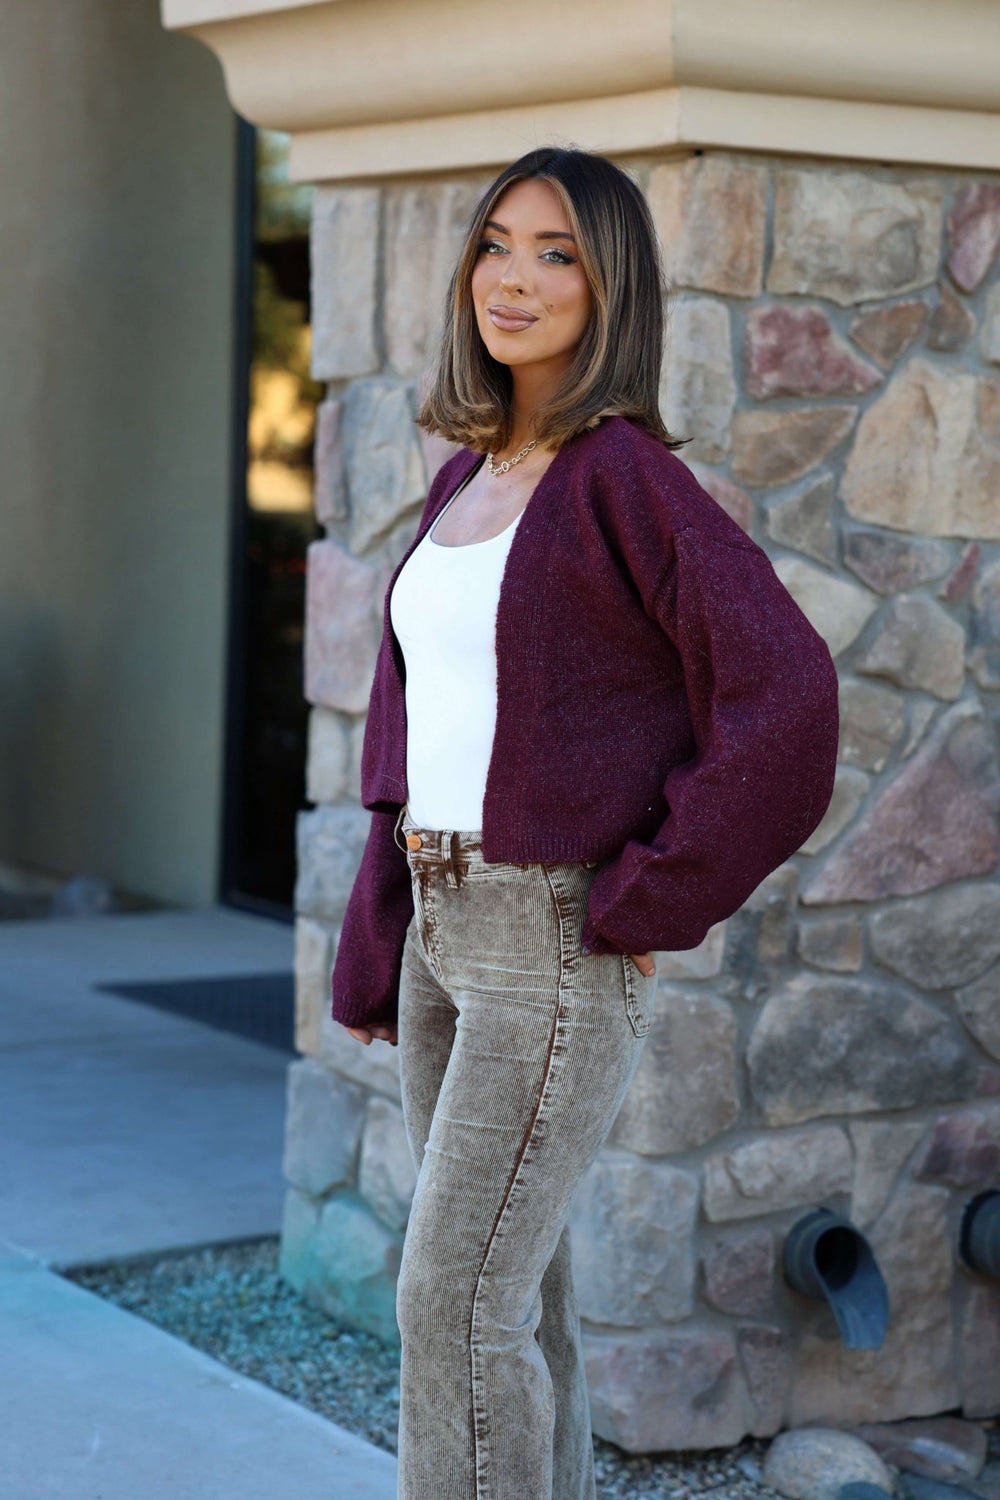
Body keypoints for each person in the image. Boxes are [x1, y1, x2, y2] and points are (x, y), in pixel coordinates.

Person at [330, 145, 839, 1500]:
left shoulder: (623, 480)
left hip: (548, 947)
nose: (515, 277)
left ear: (610, 287)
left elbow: (786, 700)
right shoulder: (468, 478)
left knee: (452, 1309)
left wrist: (639, 899)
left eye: (558, 252)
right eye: (498, 243)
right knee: (510, 1301)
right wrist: (381, 938)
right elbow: (411, 730)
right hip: (446, 931)